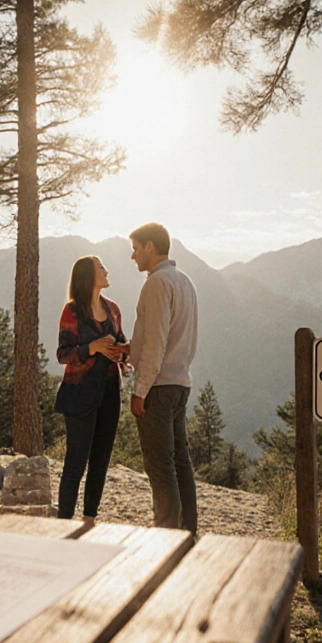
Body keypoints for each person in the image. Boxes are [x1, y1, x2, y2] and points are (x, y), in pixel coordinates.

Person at [121, 223, 199, 535]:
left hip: (158, 386)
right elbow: (172, 335)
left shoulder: (156, 283)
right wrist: (131, 349)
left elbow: (156, 342)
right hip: (180, 382)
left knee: (159, 466)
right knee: (180, 462)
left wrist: (140, 390)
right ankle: (187, 531)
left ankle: (166, 534)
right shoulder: (184, 282)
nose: (133, 256)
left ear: (151, 247)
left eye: (136, 248)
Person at [54, 255, 127, 526]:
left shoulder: (114, 310)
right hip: (79, 394)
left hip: (110, 393)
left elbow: (121, 345)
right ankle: (63, 523)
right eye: (100, 267)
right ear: (88, 275)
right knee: (75, 463)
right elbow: (63, 354)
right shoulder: (72, 311)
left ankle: (88, 521)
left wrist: (123, 355)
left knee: (100, 462)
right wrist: (91, 348)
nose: (106, 270)